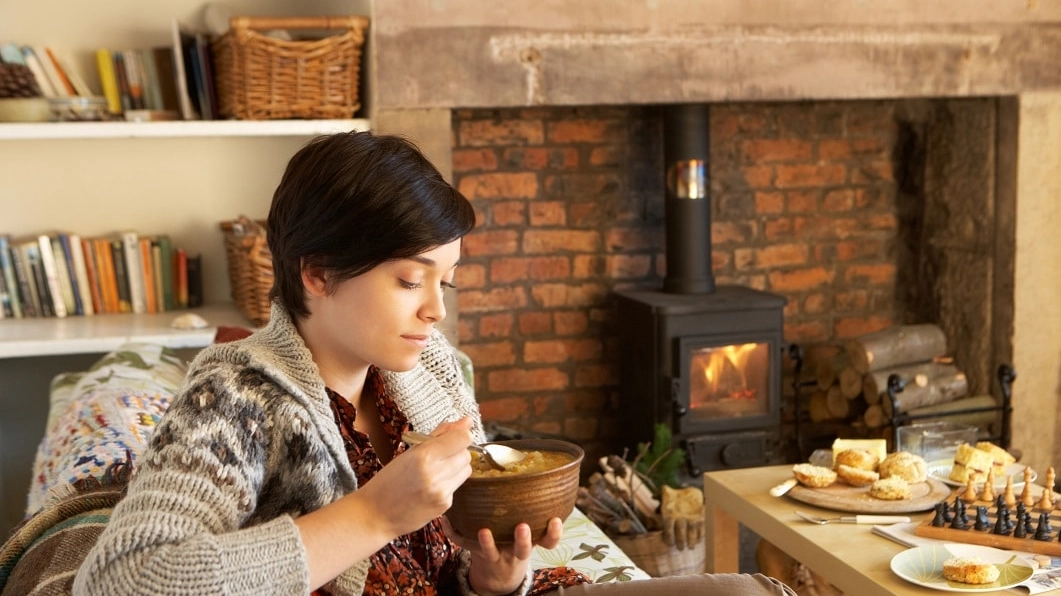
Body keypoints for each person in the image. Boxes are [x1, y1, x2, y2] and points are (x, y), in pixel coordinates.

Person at [74, 130, 794, 596]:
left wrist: (492, 577)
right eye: (408, 280)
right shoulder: (233, 396)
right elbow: (121, 581)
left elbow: (449, 564)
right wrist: (373, 514)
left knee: (744, 593)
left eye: (443, 283)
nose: (435, 312)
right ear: (317, 273)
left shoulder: (430, 372)